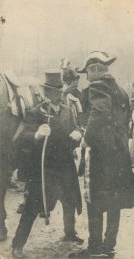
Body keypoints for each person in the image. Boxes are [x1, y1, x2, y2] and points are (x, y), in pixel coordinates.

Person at [69, 51, 134, 258]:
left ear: (95, 69)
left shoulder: (98, 87)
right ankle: (109, 245)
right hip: (119, 155)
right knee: (114, 200)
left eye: (87, 73)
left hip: (101, 156)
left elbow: (99, 114)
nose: (87, 77)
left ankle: (94, 249)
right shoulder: (121, 90)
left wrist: (85, 139)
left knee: (95, 199)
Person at [12, 70, 83, 258]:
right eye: (55, 91)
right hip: (44, 168)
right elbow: (19, 138)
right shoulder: (36, 112)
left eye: (61, 90)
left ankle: (70, 233)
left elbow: (76, 128)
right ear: (47, 92)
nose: (60, 94)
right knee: (33, 206)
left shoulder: (68, 110)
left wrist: (77, 134)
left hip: (66, 165)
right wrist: (36, 134)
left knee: (70, 201)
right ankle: (17, 245)